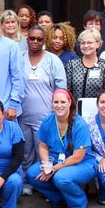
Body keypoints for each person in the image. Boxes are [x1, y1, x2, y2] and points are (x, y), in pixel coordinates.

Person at [26, 89, 96, 208]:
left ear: (69, 103)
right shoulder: (48, 120)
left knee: (61, 178)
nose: (59, 105)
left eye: (63, 102)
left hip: (82, 163)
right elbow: (43, 145)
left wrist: (54, 169)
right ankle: (59, 198)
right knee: (31, 175)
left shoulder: (79, 124)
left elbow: (77, 157)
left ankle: (78, 203)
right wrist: (47, 165)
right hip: (56, 161)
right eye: (56, 102)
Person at [20, 26, 67, 195]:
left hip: (46, 117)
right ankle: (27, 182)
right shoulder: (19, 58)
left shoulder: (53, 61)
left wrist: (59, 112)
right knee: (26, 151)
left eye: (39, 39)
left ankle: (43, 184)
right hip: (22, 115)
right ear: (27, 39)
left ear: (44, 41)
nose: (35, 42)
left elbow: (61, 89)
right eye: (32, 38)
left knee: (44, 151)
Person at [65, 29, 105, 118]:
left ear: (98, 44)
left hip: (98, 113)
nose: (86, 46)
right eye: (82, 43)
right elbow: (67, 90)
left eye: (89, 43)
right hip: (74, 113)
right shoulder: (72, 64)